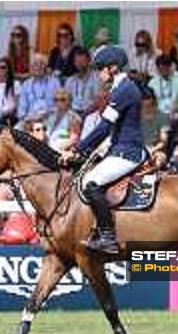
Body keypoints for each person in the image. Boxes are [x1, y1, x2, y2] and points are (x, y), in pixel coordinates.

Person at [60, 46, 145, 254]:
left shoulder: (125, 90)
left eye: (100, 69)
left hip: (128, 152)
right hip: (118, 148)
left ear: (113, 68)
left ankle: (108, 236)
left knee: (90, 183)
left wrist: (77, 149)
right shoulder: (118, 88)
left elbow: (104, 126)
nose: (98, 74)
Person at [18, 53, 61, 121]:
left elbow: (60, 104)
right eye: (35, 64)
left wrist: (47, 114)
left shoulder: (55, 82)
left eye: (42, 64)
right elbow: (21, 108)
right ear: (31, 67)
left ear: (46, 67)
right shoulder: (26, 84)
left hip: (49, 118)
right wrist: (25, 119)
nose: (39, 67)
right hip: (30, 119)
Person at [65, 47, 100, 115]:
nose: (80, 64)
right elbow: (66, 100)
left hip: (91, 114)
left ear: (89, 61)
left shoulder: (97, 78)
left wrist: (86, 113)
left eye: (83, 62)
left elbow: (98, 101)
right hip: (73, 115)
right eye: (77, 62)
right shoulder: (70, 81)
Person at [140, 89, 169, 168]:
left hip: (156, 150)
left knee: (159, 160)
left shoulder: (162, 117)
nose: (146, 109)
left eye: (149, 106)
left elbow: (163, 141)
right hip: (138, 149)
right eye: (143, 106)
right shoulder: (135, 116)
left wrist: (152, 150)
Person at [0, 58, 20, 125]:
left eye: (3, 67)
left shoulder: (15, 84)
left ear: (8, 69)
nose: (0, 70)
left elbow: (17, 103)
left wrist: (8, 112)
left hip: (10, 115)